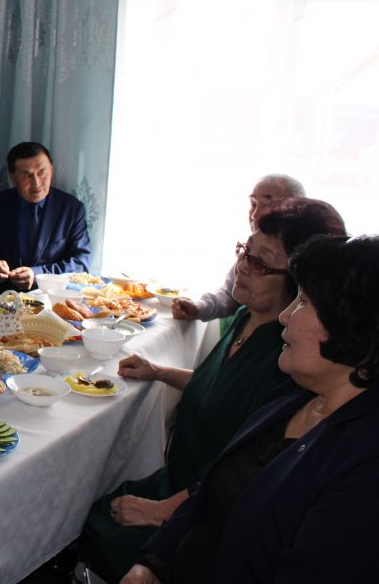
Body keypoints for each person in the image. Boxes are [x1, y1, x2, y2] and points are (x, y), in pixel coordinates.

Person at [78, 198, 346, 582]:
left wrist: (163, 510)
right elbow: (221, 389)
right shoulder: (245, 318)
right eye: (245, 251)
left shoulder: (287, 360)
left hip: (200, 504)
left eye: (262, 262)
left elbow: (244, 469)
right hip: (178, 479)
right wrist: (160, 372)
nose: (243, 266)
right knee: (89, 503)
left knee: (100, 531)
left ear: (297, 282)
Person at [123, 234, 379, 584]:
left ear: (353, 326)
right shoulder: (294, 395)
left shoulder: (364, 462)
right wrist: (151, 562)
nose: (286, 315)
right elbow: (212, 492)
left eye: (304, 302)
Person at [173, 174, 304, 322]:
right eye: (253, 205)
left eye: (267, 205)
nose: (255, 215)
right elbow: (229, 294)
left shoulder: (301, 259)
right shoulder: (251, 251)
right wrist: (199, 307)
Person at [0, 141, 91, 296]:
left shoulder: (71, 209)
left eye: (42, 172)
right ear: (13, 177)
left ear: (51, 170)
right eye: (27, 175)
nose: (36, 183)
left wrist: (38, 274)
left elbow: (81, 263)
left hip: (51, 300)